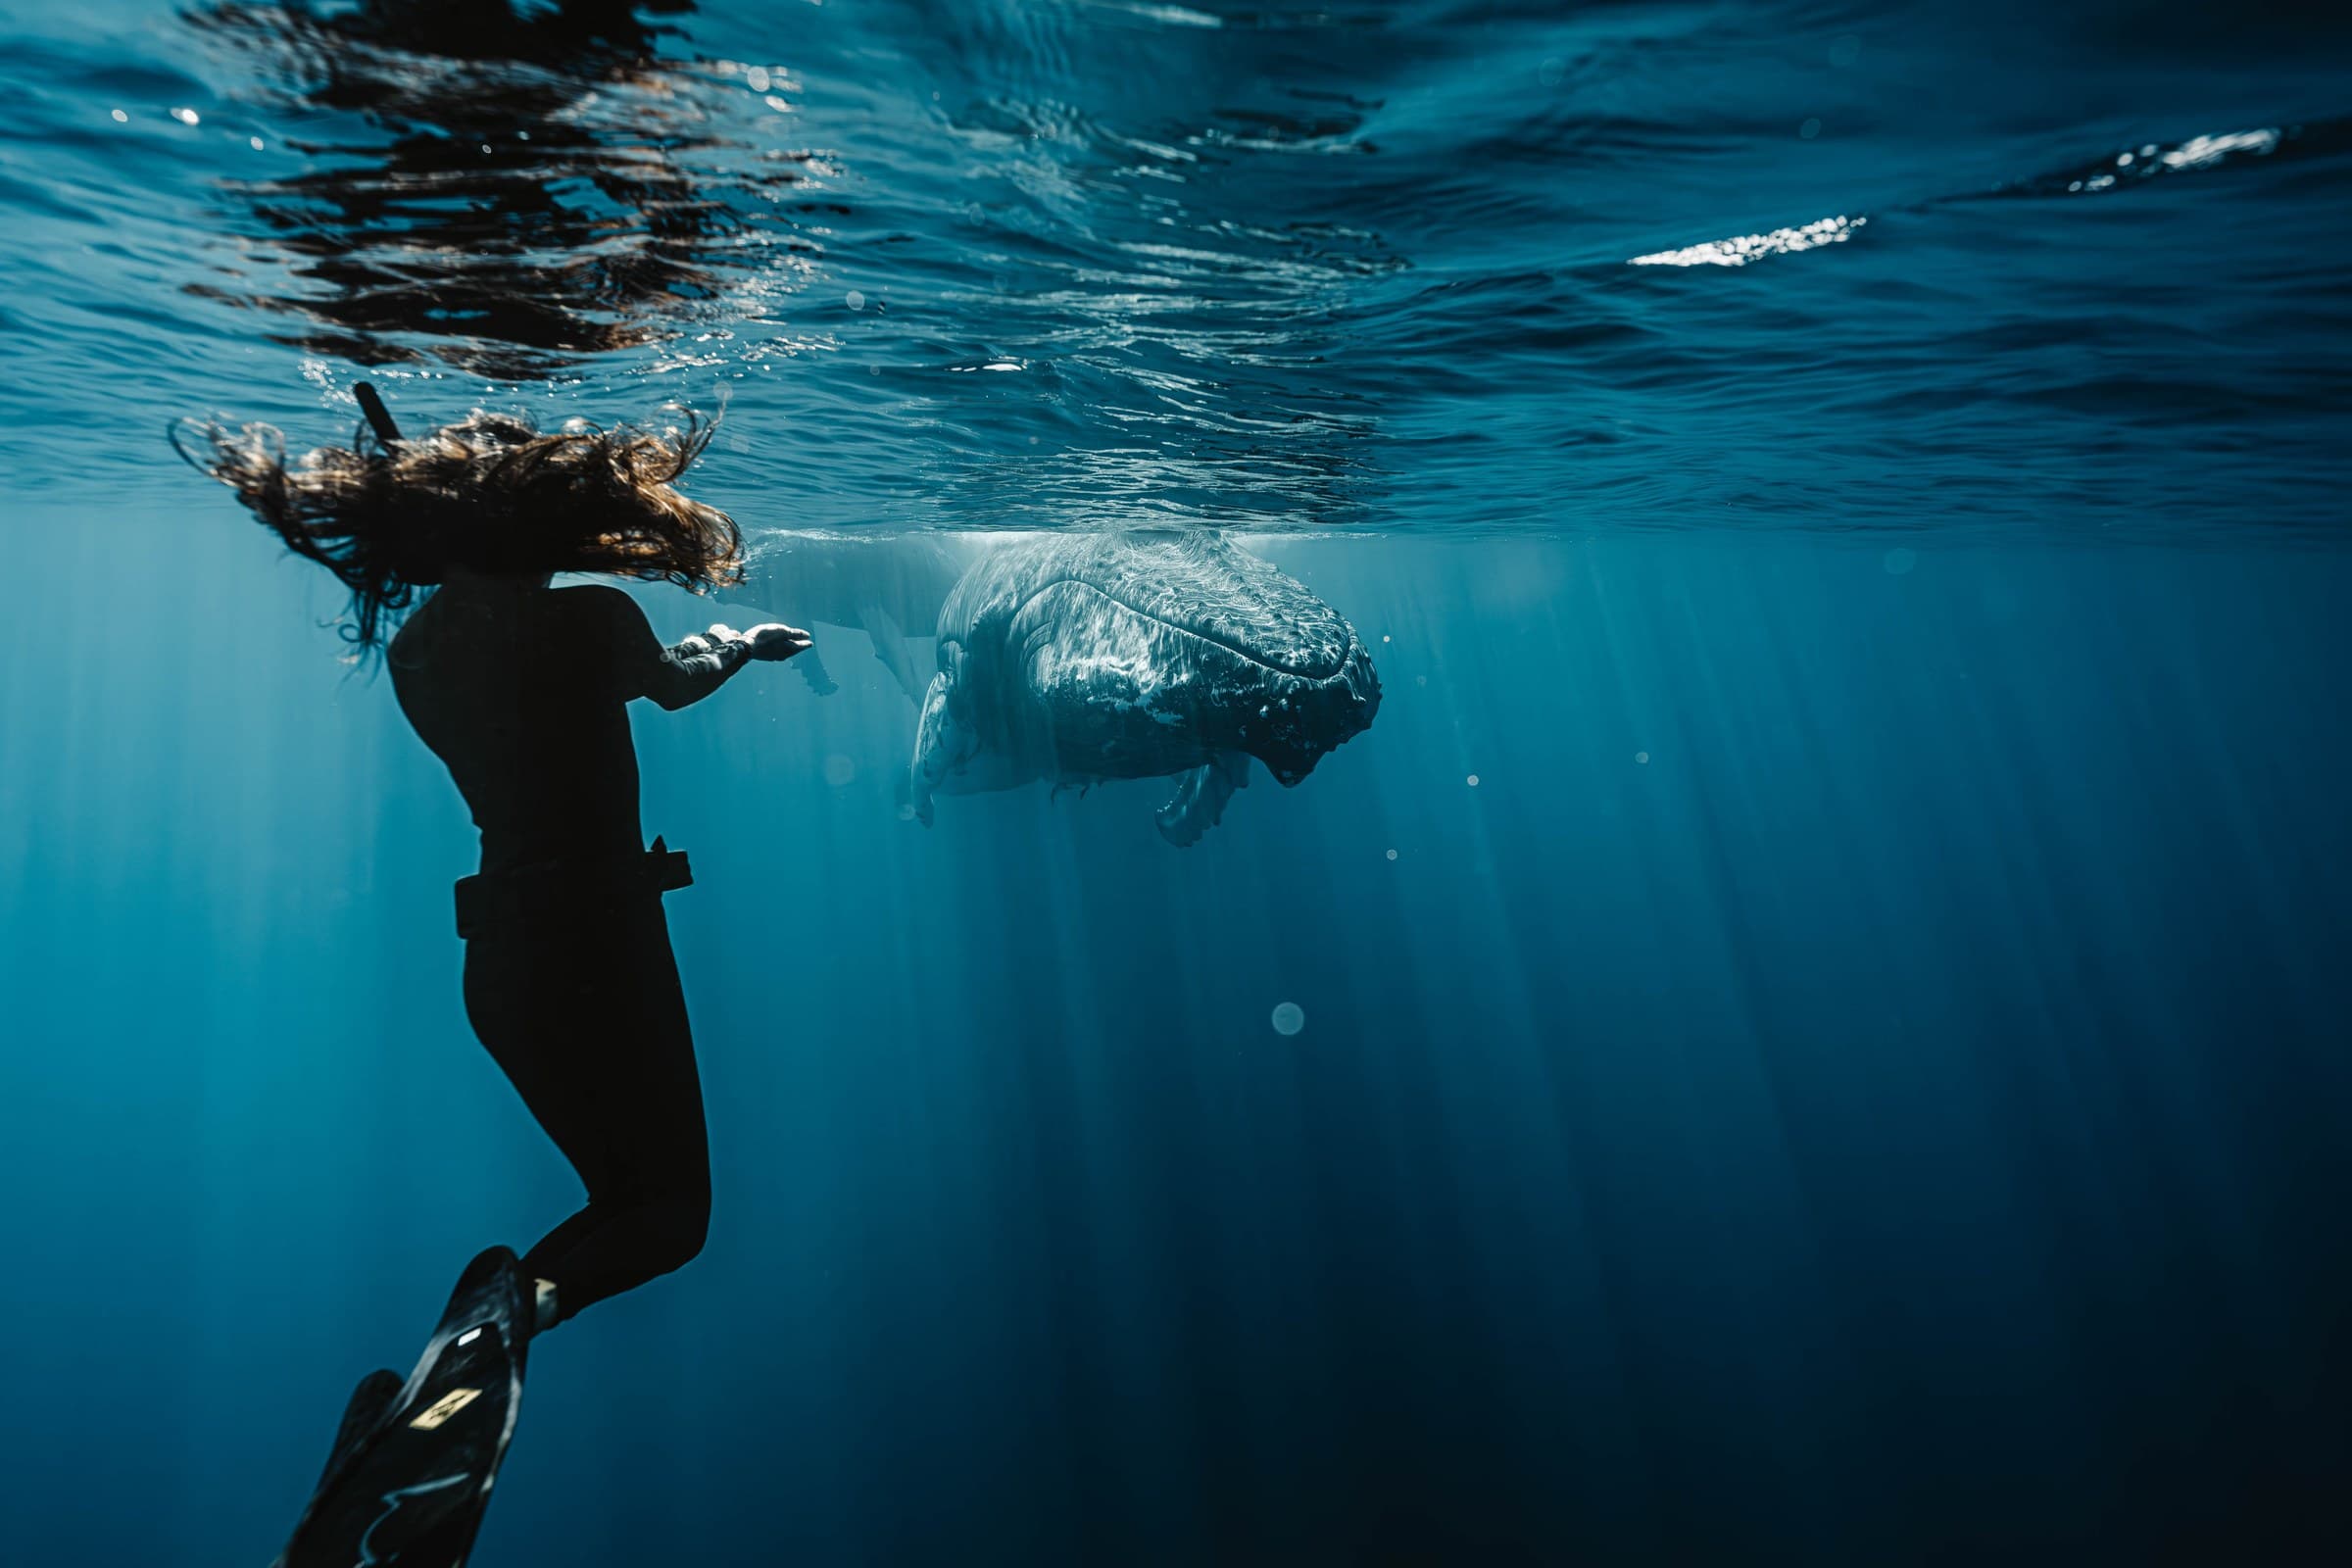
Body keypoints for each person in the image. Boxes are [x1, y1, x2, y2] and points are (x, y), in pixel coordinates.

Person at [176, 398, 808, 1337]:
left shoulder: (417, 652)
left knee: (629, 1204)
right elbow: (673, 683)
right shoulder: (593, 620)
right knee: (664, 1216)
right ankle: (494, 1338)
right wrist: (739, 644)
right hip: (601, 940)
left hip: (504, 964)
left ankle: (478, 1350)